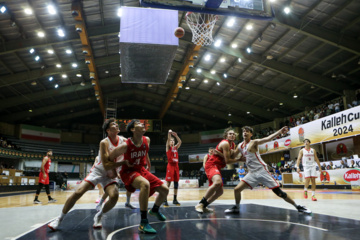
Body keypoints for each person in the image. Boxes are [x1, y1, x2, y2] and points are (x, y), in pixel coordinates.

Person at [48, 118, 132, 231]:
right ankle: (59, 219)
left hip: (111, 175)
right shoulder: (104, 142)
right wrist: (122, 163)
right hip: (99, 171)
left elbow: (134, 148)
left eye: (117, 124)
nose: (116, 125)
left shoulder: (124, 140)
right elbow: (107, 165)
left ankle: (99, 215)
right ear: (108, 130)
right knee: (78, 192)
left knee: (114, 196)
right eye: (113, 124)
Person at [225, 126, 311, 214]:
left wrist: (279, 132)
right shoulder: (240, 146)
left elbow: (268, 138)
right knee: (236, 189)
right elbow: (231, 157)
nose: (245, 133)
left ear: (251, 134)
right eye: (243, 131)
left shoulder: (254, 142)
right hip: (252, 173)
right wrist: (226, 147)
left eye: (247, 131)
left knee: (280, 193)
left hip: (262, 171)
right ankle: (237, 208)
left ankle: (298, 207)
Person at [109, 119, 169, 234]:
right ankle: (143, 222)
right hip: (128, 171)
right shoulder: (126, 145)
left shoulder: (147, 140)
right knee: (144, 184)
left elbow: (145, 152)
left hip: (141, 169)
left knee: (164, 190)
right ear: (132, 129)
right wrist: (115, 169)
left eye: (142, 123)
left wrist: (148, 163)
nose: (142, 124)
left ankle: (155, 210)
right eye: (139, 124)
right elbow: (111, 157)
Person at [195, 128, 241, 214]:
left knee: (220, 192)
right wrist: (239, 159)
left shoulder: (233, 144)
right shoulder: (225, 143)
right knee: (217, 182)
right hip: (211, 165)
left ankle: (204, 206)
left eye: (233, 134)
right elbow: (228, 161)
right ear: (226, 136)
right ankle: (200, 204)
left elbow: (231, 156)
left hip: (217, 167)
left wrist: (223, 154)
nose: (232, 135)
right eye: (230, 134)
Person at [164, 129, 182, 207]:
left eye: (173, 141)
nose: (172, 141)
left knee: (176, 183)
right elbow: (168, 140)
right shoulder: (168, 147)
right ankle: (165, 200)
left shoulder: (175, 148)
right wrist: (169, 134)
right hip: (170, 166)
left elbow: (180, 142)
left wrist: (176, 136)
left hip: (176, 166)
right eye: (171, 141)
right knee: (168, 183)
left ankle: (175, 199)